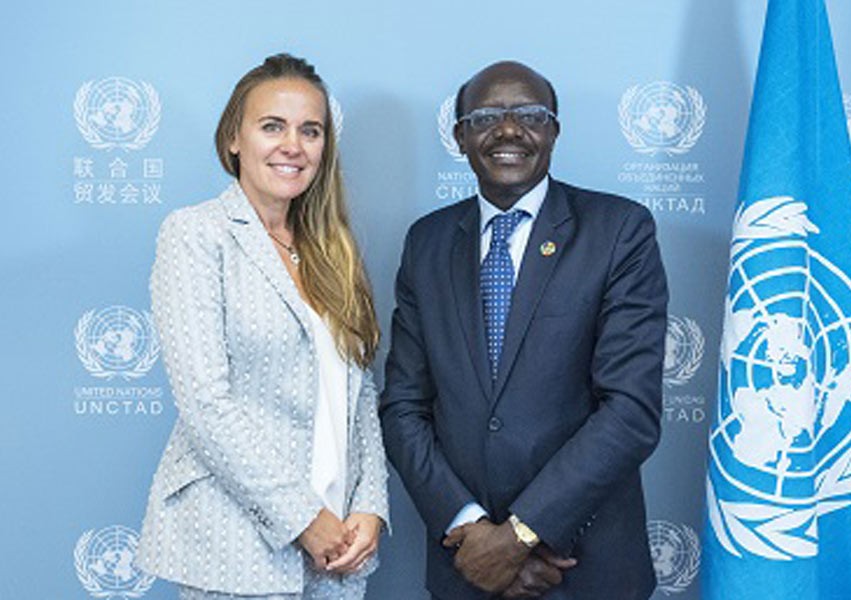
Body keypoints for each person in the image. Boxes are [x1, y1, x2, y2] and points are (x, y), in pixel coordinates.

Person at [380, 61, 667, 599]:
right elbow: (403, 407)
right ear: (460, 135)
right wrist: (471, 531)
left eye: (531, 115)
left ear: (554, 130)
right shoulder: (427, 243)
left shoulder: (618, 231)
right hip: (465, 568)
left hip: (582, 567)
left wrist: (518, 536)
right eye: (486, 117)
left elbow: (630, 410)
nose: (509, 130)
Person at [135, 53, 389, 599]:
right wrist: (303, 519)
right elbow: (206, 403)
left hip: (341, 549)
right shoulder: (196, 234)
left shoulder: (333, 250)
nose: (293, 145)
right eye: (272, 126)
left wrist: (370, 506)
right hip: (236, 543)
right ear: (234, 138)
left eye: (310, 130)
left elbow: (360, 394)